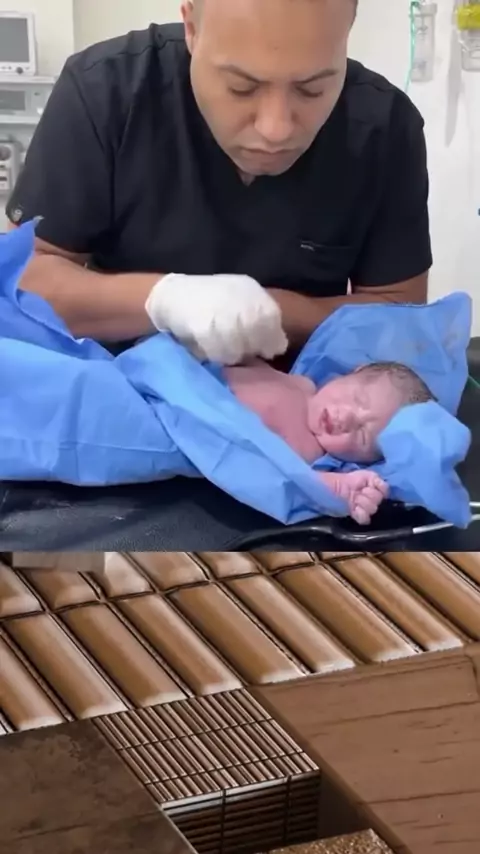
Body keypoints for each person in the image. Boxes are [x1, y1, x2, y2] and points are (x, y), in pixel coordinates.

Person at [7, 0, 432, 366]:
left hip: (303, 404)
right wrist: (164, 301)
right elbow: (23, 277)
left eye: (311, 90)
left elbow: (401, 313)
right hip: (121, 390)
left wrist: (270, 312)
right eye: (241, 88)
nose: (275, 129)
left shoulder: (383, 128)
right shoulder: (106, 92)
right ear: (191, 28)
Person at [225, 360, 435, 524]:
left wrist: (335, 486)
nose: (346, 418)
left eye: (362, 435)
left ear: (364, 460)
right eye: (357, 399)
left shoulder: (308, 450)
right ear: (355, 371)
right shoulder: (301, 382)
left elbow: (266, 479)